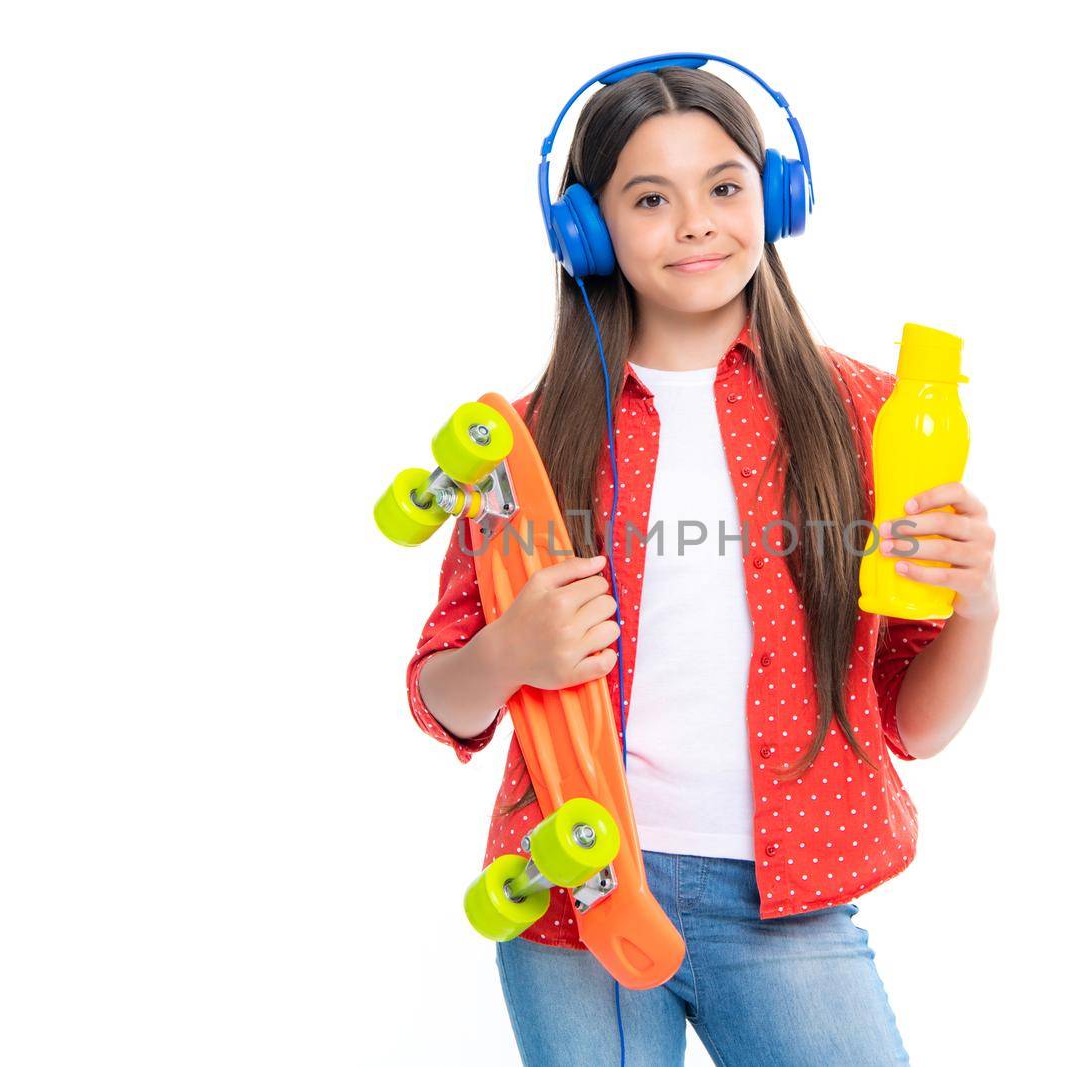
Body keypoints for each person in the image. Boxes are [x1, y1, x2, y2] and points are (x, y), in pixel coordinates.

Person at [406, 62, 999, 1066]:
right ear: (584, 230)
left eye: (724, 187)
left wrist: (975, 609)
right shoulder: (525, 441)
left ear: (776, 197)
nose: (696, 222)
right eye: (650, 197)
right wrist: (508, 649)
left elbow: (913, 723)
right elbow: (442, 698)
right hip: (574, 896)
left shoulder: (871, 415)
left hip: (788, 899)